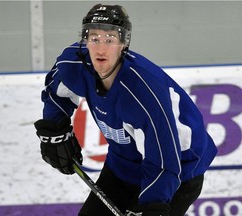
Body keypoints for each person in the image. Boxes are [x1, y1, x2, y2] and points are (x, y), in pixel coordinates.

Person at [34, 4, 217, 216]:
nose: (101, 49)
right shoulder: (73, 63)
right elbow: (56, 92)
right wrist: (55, 129)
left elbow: (164, 160)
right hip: (123, 164)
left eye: (110, 39)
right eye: (94, 38)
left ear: (123, 44)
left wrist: (153, 207)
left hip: (179, 170)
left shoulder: (143, 93)